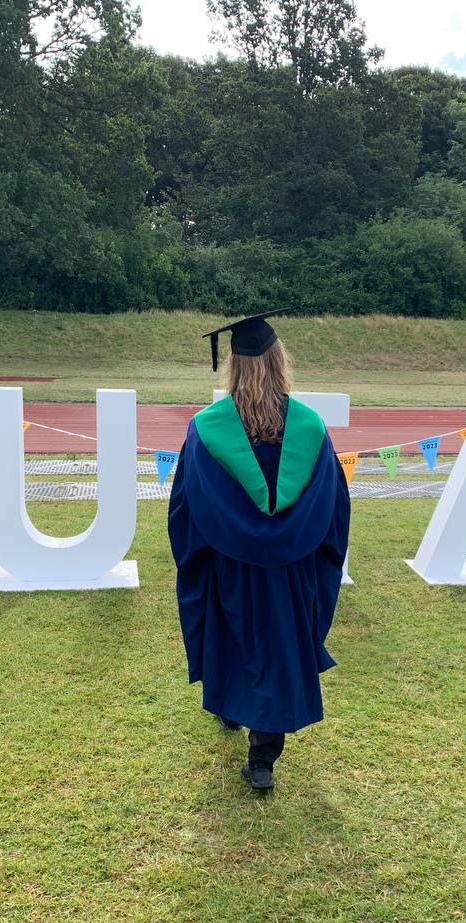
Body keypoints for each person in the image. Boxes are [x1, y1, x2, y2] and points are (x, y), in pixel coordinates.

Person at [167, 309, 351, 792]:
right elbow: (334, 506)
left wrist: (200, 555)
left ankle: (232, 707)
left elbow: (186, 507)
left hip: (229, 564)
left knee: (231, 637)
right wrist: (312, 552)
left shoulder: (207, 429)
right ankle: (263, 758)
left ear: (233, 366)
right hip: (291, 568)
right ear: (279, 361)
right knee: (278, 646)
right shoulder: (309, 427)